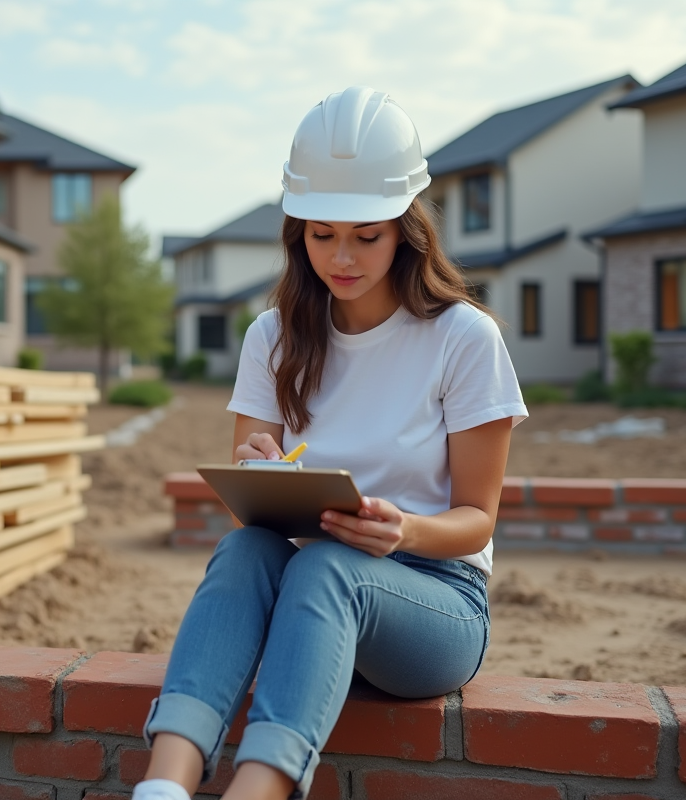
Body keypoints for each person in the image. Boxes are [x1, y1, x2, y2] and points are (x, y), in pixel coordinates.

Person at [134, 87, 528, 800]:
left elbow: (478, 519)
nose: (341, 256)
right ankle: (163, 786)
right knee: (246, 548)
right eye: (321, 235)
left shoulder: (464, 339)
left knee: (329, 569)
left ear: (407, 228)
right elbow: (250, 517)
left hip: (437, 605)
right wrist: (259, 477)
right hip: (311, 590)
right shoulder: (273, 338)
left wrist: (400, 529)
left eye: (365, 236)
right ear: (297, 232)